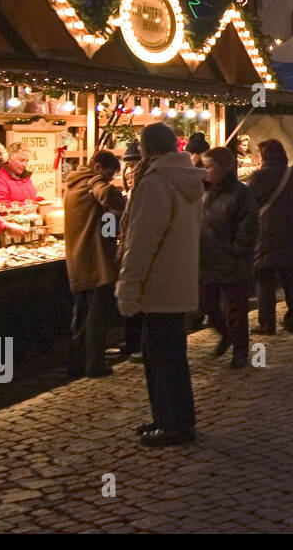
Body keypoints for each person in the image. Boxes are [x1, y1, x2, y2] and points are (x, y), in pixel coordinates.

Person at [116, 122, 206, 447]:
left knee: (162, 359)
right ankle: (170, 418)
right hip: (177, 279)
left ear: (146, 149)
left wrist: (128, 286)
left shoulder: (155, 183)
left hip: (159, 283)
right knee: (169, 356)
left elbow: (142, 241)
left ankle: (174, 426)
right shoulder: (185, 179)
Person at [63, 149, 126, 379]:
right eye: (109, 175)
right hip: (97, 260)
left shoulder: (72, 185)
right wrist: (122, 202)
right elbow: (108, 195)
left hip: (78, 260)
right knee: (97, 316)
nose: (110, 180)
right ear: (97, 167)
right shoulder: (93, 181)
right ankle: (95, 364)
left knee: (80, 315)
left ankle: (76, 364)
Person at [198, 146, 258, 369]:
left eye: (209, 167)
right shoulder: (202, 192)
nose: (205, 172)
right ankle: (227, 335)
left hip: (232, 260)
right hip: (206, 259)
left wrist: (237, 250)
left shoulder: (241, 194)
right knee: (207, 304)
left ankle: (240, 351)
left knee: (236, 309)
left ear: (223, 168)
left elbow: (248, 227)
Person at [248, 139, 293, 334]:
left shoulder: (258, 177)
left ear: (264, 156)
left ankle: (267, 324)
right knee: (292, 278)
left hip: (266, 233)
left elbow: (250, 205)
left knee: (265, 280)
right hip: (292, 231)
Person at [117, 140, 144, 363]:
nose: (130, 173)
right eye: (128, 169)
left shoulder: (143, 195)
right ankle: (133, 343)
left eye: (134, 168)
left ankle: (138, 346)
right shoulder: (131, 196)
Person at [0, 140, 40, 205]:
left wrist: (39, 201)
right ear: (9, 159)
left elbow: (28, 200)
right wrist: (26, 205)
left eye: (27, 161)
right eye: (21, 160)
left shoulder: (25, 178)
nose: (25, 164)